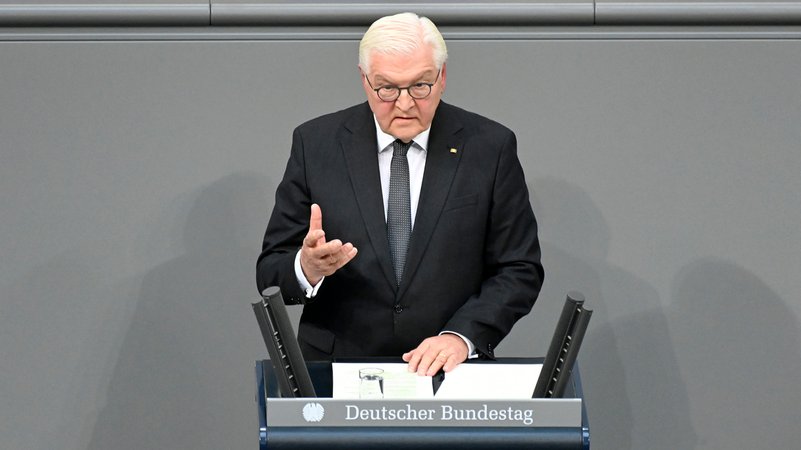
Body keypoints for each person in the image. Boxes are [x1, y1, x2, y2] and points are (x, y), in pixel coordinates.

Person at [257, 12, 543, 377]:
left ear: (442, 78)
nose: (405, 103)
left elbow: (519, 269)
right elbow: (269, 270)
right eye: (387, 88)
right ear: (364, 81)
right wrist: (306, 268)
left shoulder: (489, 147)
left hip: (448, 374)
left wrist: (462, 337)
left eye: (420, 86)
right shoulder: (316, 145)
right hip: (335, 372)